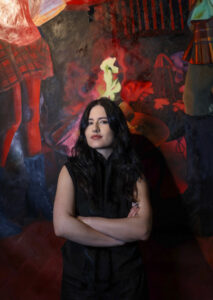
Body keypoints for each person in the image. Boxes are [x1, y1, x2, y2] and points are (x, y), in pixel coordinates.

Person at [53, 97, 152, 299]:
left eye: (103, 121)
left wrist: (83, 222)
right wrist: (118, 238)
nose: (95, 128)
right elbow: (61, 226)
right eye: (90, 123)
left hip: (127, 280)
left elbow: (142, 230)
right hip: (81, 280)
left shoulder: (133, 173)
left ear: (117, 127)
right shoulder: (70, 170)